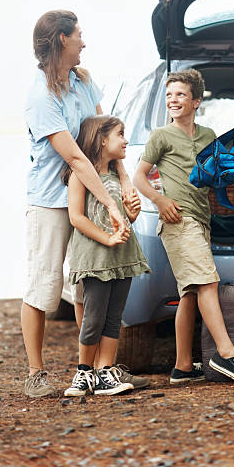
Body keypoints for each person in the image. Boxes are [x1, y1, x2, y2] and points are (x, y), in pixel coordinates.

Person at [23, 10, 133, 398]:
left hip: (92, 192)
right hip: (52, 201)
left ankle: (89, 369)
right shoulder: (41, 95)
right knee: (45, 287)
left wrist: (124, 181)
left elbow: (107, 133)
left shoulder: (84, 82)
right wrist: (112, 205)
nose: (84, 42)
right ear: (60, 41)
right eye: (78, 36)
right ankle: (36, 372)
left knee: (92, 280)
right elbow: (75, 158)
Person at [133, 69, 234, 385]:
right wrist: (159, 201)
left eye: (179, 94)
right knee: (207, 284)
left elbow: (214, 176)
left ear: (196, 100)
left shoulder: (208, 136)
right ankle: (227, 355)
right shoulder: (161, 136)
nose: (173, 100)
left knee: (190, 293)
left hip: (201, 221)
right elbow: (139, 176)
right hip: (178, 222)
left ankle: (182, 367)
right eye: (169, 95)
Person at [62, 115, 151, 396]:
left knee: (114, 317)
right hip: (95, 259)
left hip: (121, 258)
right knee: (93, 317)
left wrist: (132, 216)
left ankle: (104, 371)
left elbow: (120, 220)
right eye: (120, 135)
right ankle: (83, 372)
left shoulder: (117, 179)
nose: (125, 140)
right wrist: (107, 239)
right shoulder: (81, 175)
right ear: (101, 140)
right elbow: (76, 217)